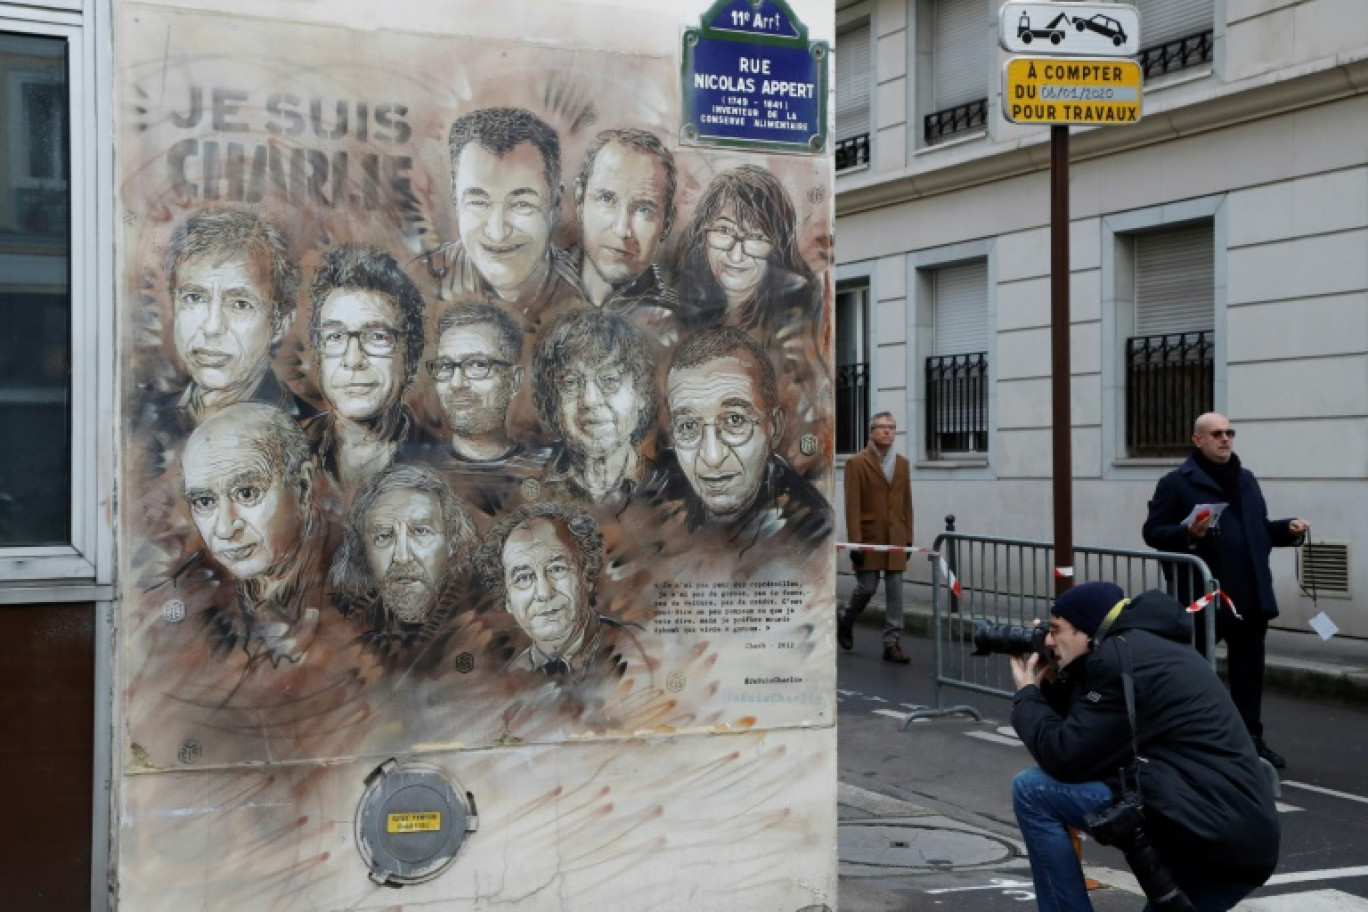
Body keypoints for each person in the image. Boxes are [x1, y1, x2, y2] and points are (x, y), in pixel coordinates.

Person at [1010, 581, 1280, 912]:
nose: (1049, 641)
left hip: (1210, 834)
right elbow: (1096, 733)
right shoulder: (1143, 648)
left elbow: (1064, 755)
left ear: (1089, 632)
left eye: (1056, 630)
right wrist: (1056, 682)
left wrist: (1027, 695)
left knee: (1032, 791)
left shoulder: (1119, 660)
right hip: (1227, 831)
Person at [1142, 411, 1308, 769]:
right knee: (1197, 673)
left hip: (1249, 595)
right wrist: (1187, 533)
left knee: (1249, 676)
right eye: (1216, 433)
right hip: (1202, 595)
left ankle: (1251, 742)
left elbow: (1256, 530)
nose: (1225, 439)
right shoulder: (1176, 482)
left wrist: (1286, 530)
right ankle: (1193, 739)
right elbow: (1153, 532)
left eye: (1230, 432)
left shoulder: (1245, 479)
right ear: (1197, 439)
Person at [143, 208, 312, 473]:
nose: (212, 327)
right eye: (194, 298)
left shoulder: (312, 435)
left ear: (280, 322)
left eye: (240, 304)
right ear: (174, 305)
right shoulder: (142, 425)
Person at [177, 402, 330, 669]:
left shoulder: (353, 582)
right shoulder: (186, 594)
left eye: (247, 493)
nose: (224, 528)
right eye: (204, 501)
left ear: (303, 488)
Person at [658, 326, 830, 557]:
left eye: (734, 420)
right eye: (688, 426)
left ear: (774, 428)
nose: (712, 457)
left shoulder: (807, 528)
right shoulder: (657, 502)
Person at [419, 106, 578, 319]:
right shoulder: (417, 289)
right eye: (478, 202)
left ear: (556, 203)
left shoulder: (589, 297)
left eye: (522, 204)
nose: (497, 232)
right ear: (456, 199)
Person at [303, 243, 435, 494]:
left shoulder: (439, 462)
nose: (353, 360)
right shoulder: (287, 451)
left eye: (376, 336)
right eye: (335, 337)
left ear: (411, 355)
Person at [475, 501, 650, 683]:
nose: (544, 593)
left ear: (587, 576)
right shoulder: (509, 679)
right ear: (508, 600)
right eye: (523, 578)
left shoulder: (634, 650)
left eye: (557, 568)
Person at [329, 465, 477, 667]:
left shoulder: (483, 620)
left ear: (451, 541)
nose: (402, 556)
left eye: (420, 531)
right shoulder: (343, 625)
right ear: (365, 550)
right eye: (383, 536)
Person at [418, 301, 552, 517]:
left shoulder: (550, 470)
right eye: (445, 367)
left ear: (514, 381)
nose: (456, 383)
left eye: (477, 365)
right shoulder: (417, 473)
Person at [531, 309, 657, 507]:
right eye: (571, 383)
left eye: (609, 380)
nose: (589, 400)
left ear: (641, 393)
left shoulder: (667, 485)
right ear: (554, 401)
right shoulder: (531, 485)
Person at [671, 165, 816, 335]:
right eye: (724, 230)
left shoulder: (795, 314)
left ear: (777, 248)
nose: (736, 255)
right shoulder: (675, 305)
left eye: (756, 237)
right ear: (703, 235)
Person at [566, 128, 680, 342]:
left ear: (666, 223)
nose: (621, 229)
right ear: (580, 200)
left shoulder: (676, 322)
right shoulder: (536, 287)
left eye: (644, 209)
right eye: (607, 199)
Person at [837, 412, 913, 664]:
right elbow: (852, 506)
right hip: (869, 536)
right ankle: (846, 620)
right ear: (871, 432)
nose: (888, 431)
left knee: (895, 590)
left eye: (892, 427)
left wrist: (909, 537)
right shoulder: (857, 463)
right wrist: (855, 542)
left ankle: (892, 643)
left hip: (895, 537)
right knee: (867, 587)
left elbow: (906, 504)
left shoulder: (902, 464)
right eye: (882, 427)